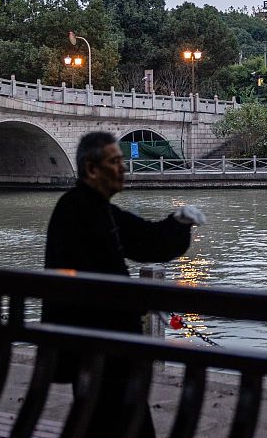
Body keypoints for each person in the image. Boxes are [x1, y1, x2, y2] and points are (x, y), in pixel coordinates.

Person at [42, 131, 206, 437]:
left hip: (103, 347)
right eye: (115, 162)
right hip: (97, 344)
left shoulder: (98, 209)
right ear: (92, 169)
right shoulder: (75, 211)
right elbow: (92, 283)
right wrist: (140, 301)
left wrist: (178, 223)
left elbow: (146, 240)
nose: (123, 168)